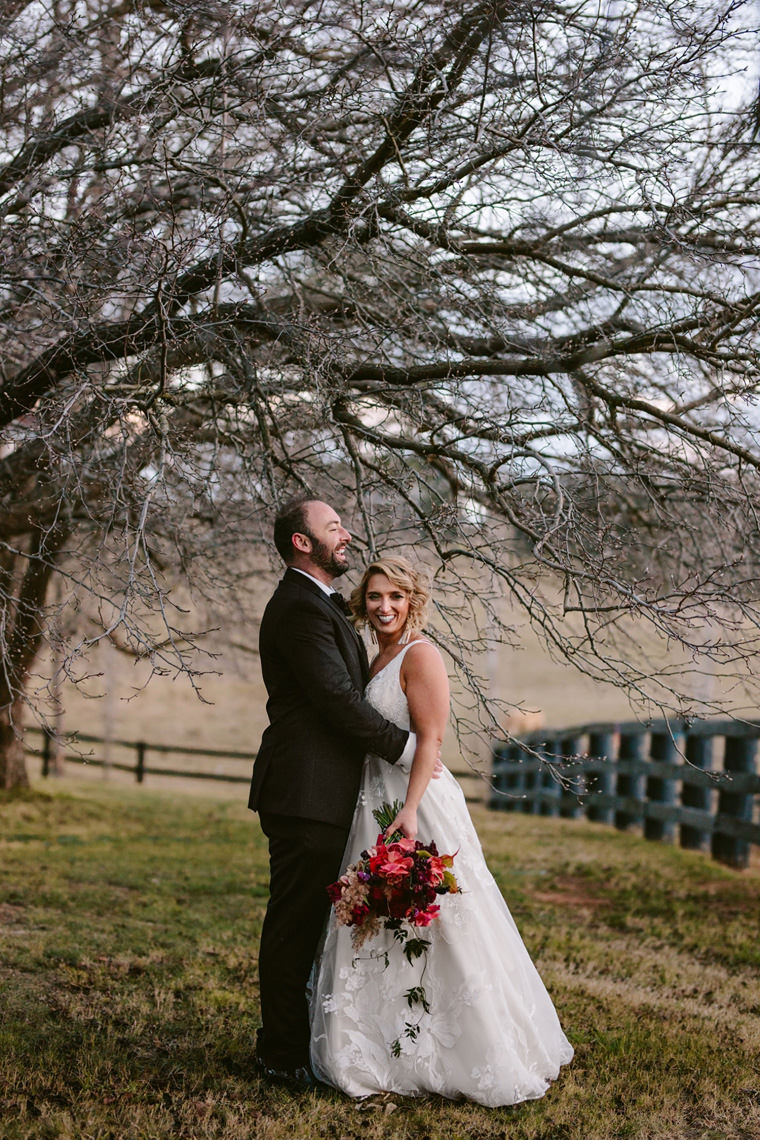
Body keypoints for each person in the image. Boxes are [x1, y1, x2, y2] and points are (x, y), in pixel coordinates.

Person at [310, 555, 574, 1106]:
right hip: (371, 799)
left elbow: (430, 740)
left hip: (416, 801)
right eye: (377, 597)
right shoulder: (374, 654)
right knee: (376, 914)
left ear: (413, 602)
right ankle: (383, 1044)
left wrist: (408, 811)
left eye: (396, 598)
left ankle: (463, 1048)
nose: (385, 607)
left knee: (440, 919)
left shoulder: (421, 655)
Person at [249, 498, 419, 1090]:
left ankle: (294, 1043)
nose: (346, 534)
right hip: (305, 790)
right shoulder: (299, 609)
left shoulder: (319, 605)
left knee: (307, 924)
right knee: (294, 924)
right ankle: (280, 1055)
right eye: (333, 527)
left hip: (320, 790)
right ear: (302, 543)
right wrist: (408, 748)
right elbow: (337, 702)